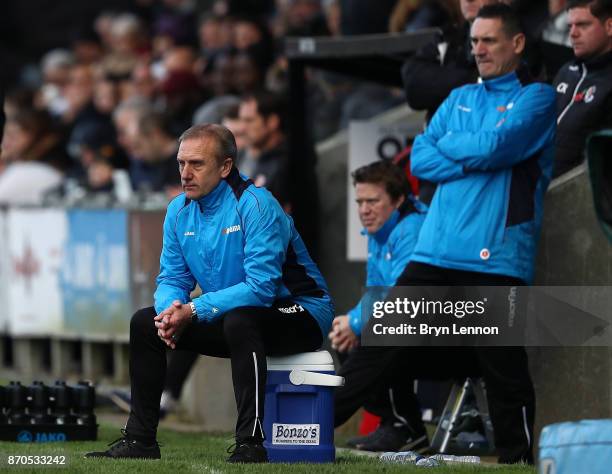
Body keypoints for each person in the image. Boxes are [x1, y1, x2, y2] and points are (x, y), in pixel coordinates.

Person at [334, 4, 556, 464]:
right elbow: (421, 160)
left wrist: (462, 150)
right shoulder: (457, 99)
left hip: (497, 253)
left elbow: (500, 146)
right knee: (379, 339)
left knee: (505, 369)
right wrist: (479, 153)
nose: (479, 50)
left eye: (489, 40)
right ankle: (311, 427)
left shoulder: (537, 98)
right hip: (436, 251)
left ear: (516, 43)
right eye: (474, 41)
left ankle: (518, 460)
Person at [86, 124, 334, 463]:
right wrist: (169, 311)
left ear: (225, 167)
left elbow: (261, 289)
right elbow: (172, 276)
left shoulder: (257, 205)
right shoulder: (178, 210)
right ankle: (140, 440)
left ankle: (251, 443)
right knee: (145, 323)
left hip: (301, 312)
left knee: (241, 320)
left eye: (197, 164)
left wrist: (195, 309)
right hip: (236, 315)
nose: (185, 173)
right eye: (181, 163)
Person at [330, 161, 427, 452]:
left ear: (398, 200)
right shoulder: (380, 231)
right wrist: (352, 320)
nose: (364, 210)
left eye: (372, 201)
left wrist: (358, 322)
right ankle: (399, 424)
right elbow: (376, 291)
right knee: (344, 336)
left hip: (449, 327)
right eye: (360, 202)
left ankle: (321, 418)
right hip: (408, 325)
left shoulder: (411, 228)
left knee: (382, 334)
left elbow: (402, 293)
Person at [552, 0, 612, 178]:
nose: (573, 33)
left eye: (582, 25)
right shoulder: (566, 71)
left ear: (610, 26)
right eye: (570, 26)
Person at [239, 90, 291, 212]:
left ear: (272, 122)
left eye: (249, 120)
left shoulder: (289, 163)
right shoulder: (244, 156)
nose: (242, 128)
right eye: (241, 120)